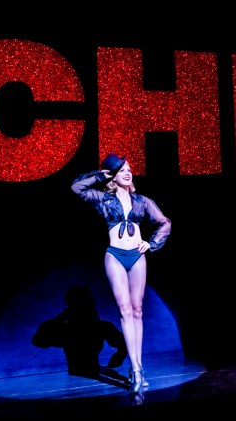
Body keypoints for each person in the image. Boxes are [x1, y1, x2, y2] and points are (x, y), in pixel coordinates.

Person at [71, 153, 172, 394]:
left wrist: (152, 243)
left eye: (129, 169)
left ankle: (139, 365)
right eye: (122, 169)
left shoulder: (142, 201)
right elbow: (76, 187)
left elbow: (165, 222)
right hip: (115, 255)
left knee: (137, 310)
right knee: (125, 310)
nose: (128, 172)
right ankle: (135, 369)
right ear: (114, 177)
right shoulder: (103, 199)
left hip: (137, 256)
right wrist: (103, 173)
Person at [32, 284, 128, 386]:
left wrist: (119, 356)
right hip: (77, 378)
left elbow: (124, 343)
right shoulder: (66, 327)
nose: (89, 305)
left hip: (87, 376)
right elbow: (38, 340)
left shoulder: (100, 326)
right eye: (83, 302)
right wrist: (59, 319)